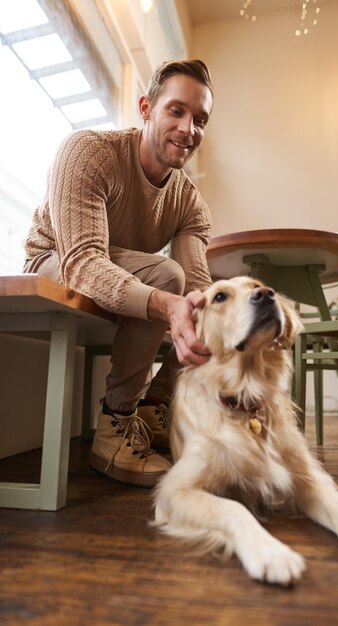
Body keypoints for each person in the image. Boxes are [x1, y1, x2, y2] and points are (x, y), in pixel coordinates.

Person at [23, 59, 214, 487]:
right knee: (165, 278)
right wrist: (166, 304)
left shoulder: (191, 203)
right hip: (55, 259)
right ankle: (114, 426)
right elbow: (83, 261)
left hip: (115, 271)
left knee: (202, 300)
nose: (189, 129)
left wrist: (219, 317)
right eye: (176, 111)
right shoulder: (88, 151)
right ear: (146, 108)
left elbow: (196, 283)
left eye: (200, 119)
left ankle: (156, 404)